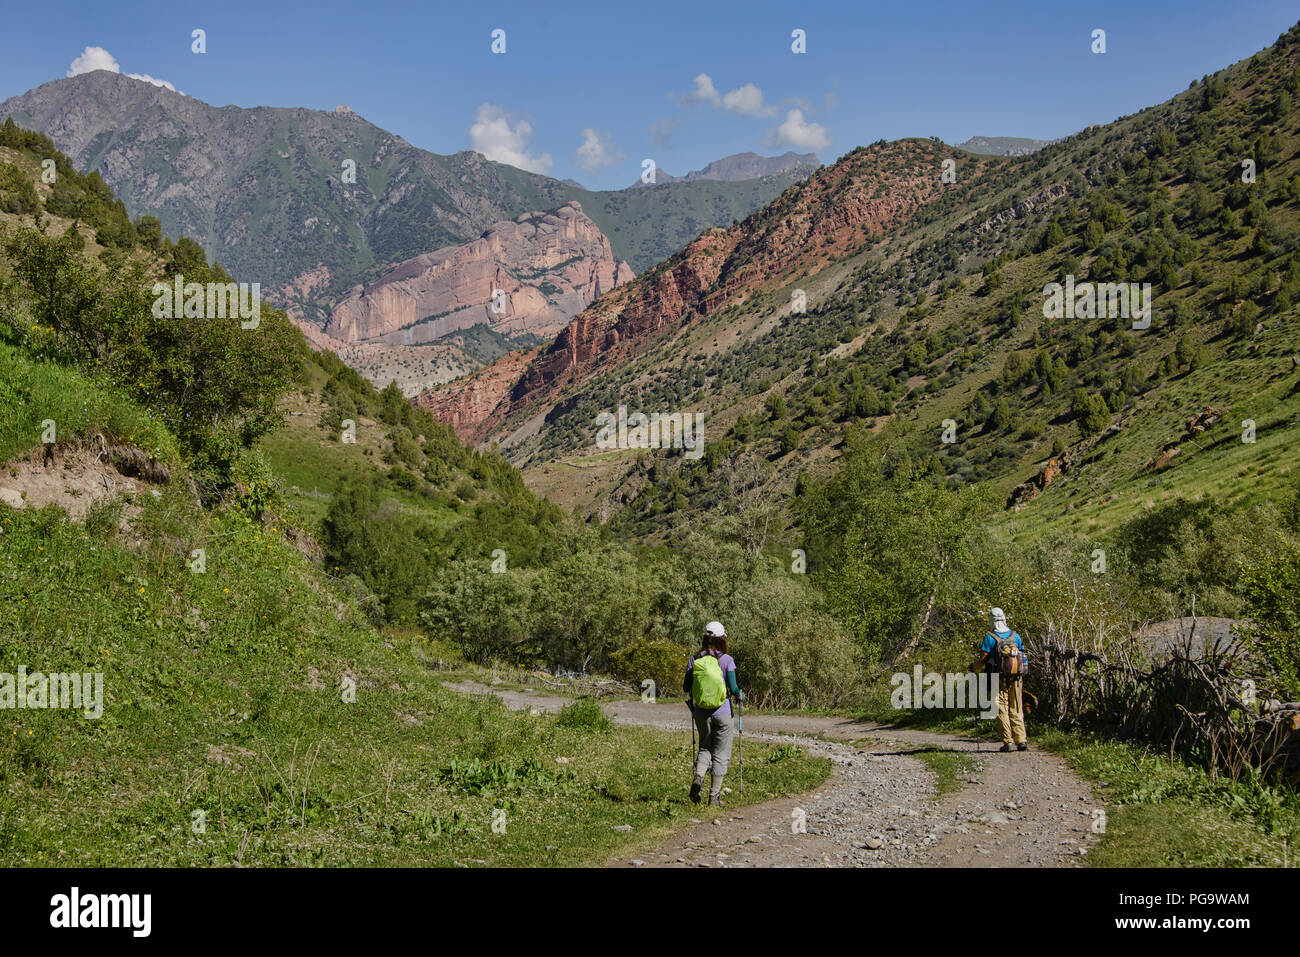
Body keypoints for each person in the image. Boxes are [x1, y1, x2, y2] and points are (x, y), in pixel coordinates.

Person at [683, 621, 742, 806]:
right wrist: (740, 694)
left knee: (705, 748)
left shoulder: (695, 659)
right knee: (721, 753)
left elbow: (686, 687)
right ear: (722, 638)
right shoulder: (727, 660)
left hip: (701, 712)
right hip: (723, 712)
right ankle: (714, 797)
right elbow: (733, 688)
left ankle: (699, 776)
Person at [970, 607, 1028, 752]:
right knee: (1016, 707)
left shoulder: (990, 637)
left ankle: (1007, 741)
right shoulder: (1015, 636)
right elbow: (1021, 655)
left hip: (998, 678)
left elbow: (983, 658)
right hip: (1016, 677)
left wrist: (973, 668)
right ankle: (1021, 740)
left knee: (1001, 707)